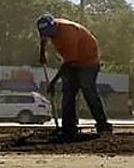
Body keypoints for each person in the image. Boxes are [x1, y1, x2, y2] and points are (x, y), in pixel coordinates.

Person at [37, 14, 112, 142]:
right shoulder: (46, 29)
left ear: (55, 26)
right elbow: (43, 39)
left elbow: (68, 63)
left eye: (50, 33)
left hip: (88, 62)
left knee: (89, 92)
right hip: (72, 62)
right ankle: (68, 128)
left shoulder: (68, 33)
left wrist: (53, 82)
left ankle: (103, 125)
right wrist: (42, 53)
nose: (48, 36)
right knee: (68, 94)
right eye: (45, 34)